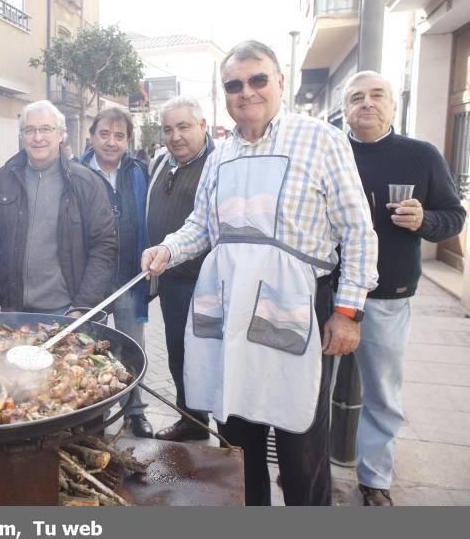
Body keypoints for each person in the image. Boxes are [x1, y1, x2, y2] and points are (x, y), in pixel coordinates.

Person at [142, 40, 379, 506]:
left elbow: (358, 232)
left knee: (299, 438)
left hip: (299, 306)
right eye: (234, 85)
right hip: (230, 311)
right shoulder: (222, 155)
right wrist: (168, 249)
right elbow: (203, 227)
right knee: (238, 433)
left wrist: (349, 310)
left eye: (257, 80)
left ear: (280, 83)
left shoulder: (321, 140)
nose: (246, 92)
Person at [343, 70, 466, 506]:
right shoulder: (330, 151)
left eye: (377, 95)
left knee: (383, 391)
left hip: (388, 294)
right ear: (345, 109)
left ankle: (374, 479)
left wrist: (425, 220)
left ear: (394, 106)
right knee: (314, 391)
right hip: (329, 294)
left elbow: (453, 216)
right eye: (356, 97)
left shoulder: (422, 154)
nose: (367, 103)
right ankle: (310, 467)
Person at [0, 100, 116, 318]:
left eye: (46, 129)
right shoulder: (5, 178)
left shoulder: (86, 183)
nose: (37, 137)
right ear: (22, 136)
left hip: (66, 311)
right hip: (12, 310)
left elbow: (104, 247)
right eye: (29, 130)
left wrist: (82, 307)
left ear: (61, 135)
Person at [80, 108, 153, 438]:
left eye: (119, 136)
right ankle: (96, 412)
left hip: (129, 279)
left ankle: (134, 410)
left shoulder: (139, 172)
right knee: (91, 350)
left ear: (127, 140)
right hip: (88, 284)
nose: (111, 142)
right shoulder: (76, 173)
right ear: (92, 136)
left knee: (130, 349)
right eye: (104, 134)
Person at [146, 96, 215, 442]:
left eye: (184, 127)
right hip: (171, 282)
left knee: (209, 357)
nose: (176, 136)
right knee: (177, 352)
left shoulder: (218, 164)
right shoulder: (161, 162)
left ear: (203, 125)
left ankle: (227, 427)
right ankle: (191, 419)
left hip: (207, 285)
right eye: (168, 129)